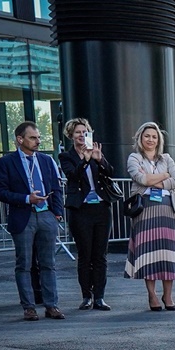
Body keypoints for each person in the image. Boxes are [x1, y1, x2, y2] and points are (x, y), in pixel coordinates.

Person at [0, 121, 66, 321]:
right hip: (23, 216)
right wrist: (26, 198)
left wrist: (56, 213)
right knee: (24, 264)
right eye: (33, 137)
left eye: (39, 137)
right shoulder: (7, 162)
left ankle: (52, 306)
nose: (38, 141)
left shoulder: (46, 160)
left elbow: (56, 187)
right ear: (20, 139)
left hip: (46, 216)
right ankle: (29, 307)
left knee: (48, 263)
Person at [125, 121, 175, 310]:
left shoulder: (167, 158)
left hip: (168, 210)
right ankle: (152, 295)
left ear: (158, 140)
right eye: (147, 136)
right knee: (148, 253)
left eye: (154, 136)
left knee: (168, 253)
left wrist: (154, 180)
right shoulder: (134, 157)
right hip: (144, 210)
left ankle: (168, 296)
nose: (150, 139)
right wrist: (164, 176)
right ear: (140, 138)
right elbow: (142, 179)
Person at [59, 117, 114, 311]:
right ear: (70, 135)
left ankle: (99, 297)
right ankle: (86, 296)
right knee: (85, 254)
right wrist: (84, 161)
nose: (81, 135)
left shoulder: (96, 151)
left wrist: (99, 160)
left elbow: (110, 172)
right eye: (77, 132)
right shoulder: (66, 156)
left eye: (84, 132)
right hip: (80, 210)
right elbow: (72, 176)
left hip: (101, 209)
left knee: (100, 255)